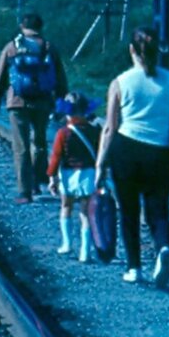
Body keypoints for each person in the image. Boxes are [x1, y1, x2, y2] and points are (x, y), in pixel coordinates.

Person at [94, 26, 169, 287]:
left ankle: (134, 268)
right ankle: (163, 247)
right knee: (159, 209)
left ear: (131, 50)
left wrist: (100, 164)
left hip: (126, 151)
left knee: (128, 211)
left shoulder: (120, 82)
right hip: (160, 154)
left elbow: (110, 127)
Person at [0, 11, 68, 204]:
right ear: (40, 27)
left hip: (17, 102)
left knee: (21, 147)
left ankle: (24, 192)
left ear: (22, 27)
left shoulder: (12, 47)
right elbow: (60, 80)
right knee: (39, 144)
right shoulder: (49, 48)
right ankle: (37, 181)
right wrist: (62, 105)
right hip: (42, 103)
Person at [46, 92, 100, 261]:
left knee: (66, 207)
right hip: (88, 174)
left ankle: (67, 244)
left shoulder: (63, 133)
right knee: (86, 212)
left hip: (69, 174)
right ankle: (85, 251)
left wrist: (52, 177)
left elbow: (55, 157)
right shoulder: (93, 131)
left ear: (67, 112)